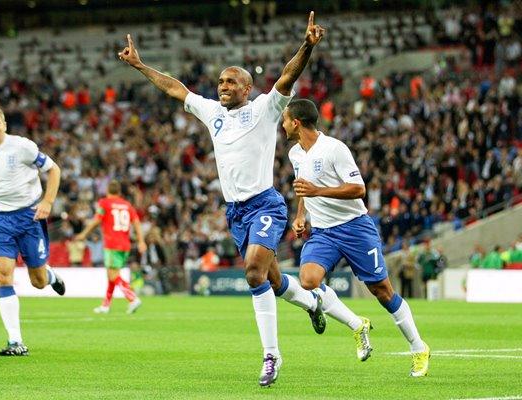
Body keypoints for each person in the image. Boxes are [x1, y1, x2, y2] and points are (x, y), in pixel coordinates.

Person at [119, 11, 326, 387]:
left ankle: (271, 356)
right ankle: (313, 303)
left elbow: (287, 76)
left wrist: (307, 47)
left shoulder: (265, 108)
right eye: (220, 81)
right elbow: (174, 88)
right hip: (235, 213)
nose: (223, 86)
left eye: (231, 81)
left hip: (264, 203)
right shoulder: (212, 112)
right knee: (273, 281)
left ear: (248, 88)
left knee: (251, 272)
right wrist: (139, 66)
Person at [282, 98, 430, 377]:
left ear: (297, 122)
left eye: (286, 120)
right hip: (324, 232)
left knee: (382, 292)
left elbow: (358, 189)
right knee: (308, 281)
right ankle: (357, 324)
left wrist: (317, 192)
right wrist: (301, 215)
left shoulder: (334, 149)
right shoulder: (295, 154)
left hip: (355, 228)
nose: (283, 125)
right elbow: (304, 188)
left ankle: (418, 347)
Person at [0, 106, 65, 357]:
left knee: (38, 281)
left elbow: (54, 170)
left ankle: (50, 275)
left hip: (29, 217)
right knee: (3, 275)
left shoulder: (22, 147)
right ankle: (15, 342)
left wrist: (48, 202)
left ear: (5, 125)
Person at [74, 181, 146, 314]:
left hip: (112, 244)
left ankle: (132, 298)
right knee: (111, 275)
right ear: (119, 193)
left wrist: (83, 234)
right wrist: (141, 241)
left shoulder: (104, 203)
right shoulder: (127, 205)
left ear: (107, 191)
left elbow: (97, 220)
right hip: (125, 244)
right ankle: (105, 305)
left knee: (113, 275)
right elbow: (136, 222)